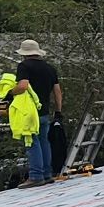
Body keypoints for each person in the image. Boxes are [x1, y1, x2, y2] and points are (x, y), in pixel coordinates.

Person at [13, 40, 63, 185]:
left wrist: (10, 93)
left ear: (24, 54)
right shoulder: (49, 68)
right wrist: (58, 111)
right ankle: (47, 174)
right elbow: (57, 91)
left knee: (32, 142)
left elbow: (22, 86)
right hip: (44, 112)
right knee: (44, 142)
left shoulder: (24, 66)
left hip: (29, 112)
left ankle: (35, 176)